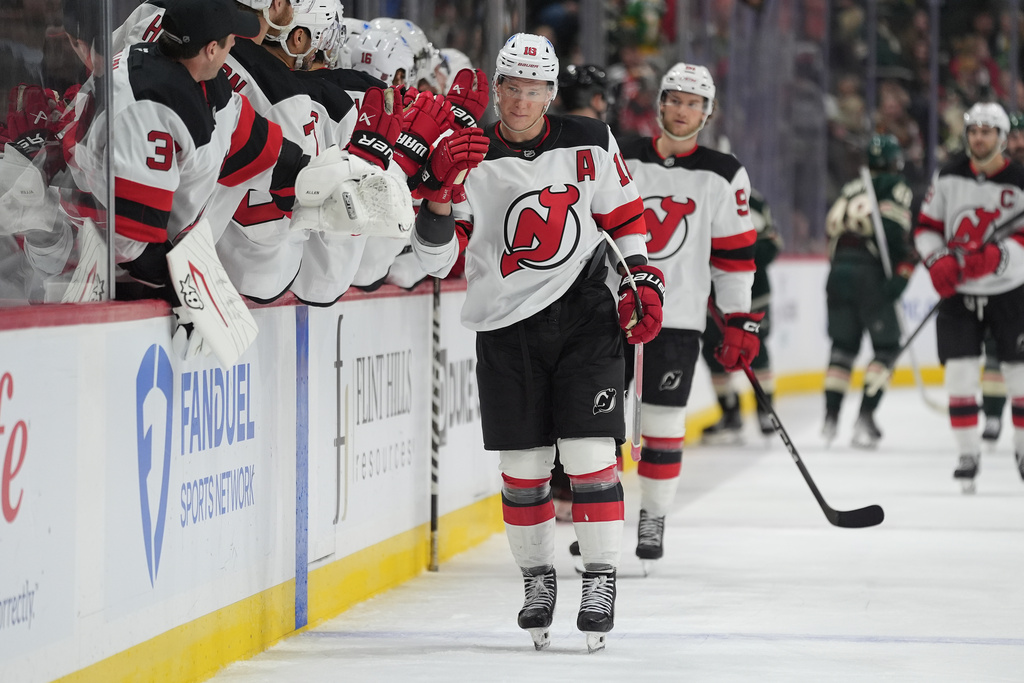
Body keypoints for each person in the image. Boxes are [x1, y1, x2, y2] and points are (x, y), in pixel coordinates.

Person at [409, 33, 662, 652]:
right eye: (512, 88)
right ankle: (537, 581)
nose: (521, 101)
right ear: (496, 88)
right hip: (505, 326)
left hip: (585, 315)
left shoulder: (591, 139)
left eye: (534, 89)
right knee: (523, 469)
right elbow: (436, 261)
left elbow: (624, 215)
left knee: (589, 454)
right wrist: (436, 195)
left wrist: (642, 279)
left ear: (551, 93)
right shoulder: (465, 154)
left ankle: (599, 580)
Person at [617, 62, 757, 570]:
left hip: (676, 320)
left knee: (662, 421)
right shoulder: (621, 155)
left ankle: (653, 516)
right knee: (596, 426)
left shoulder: (723, 173)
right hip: (612, 314)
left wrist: (739, 319)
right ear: (659, 103)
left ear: (707, 112)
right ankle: (600, 520)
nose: (682, 110)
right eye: (674, 99)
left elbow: (734, 258)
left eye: (693, 103)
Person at [916, 101, 1024, 491]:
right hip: (960, 294)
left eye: (986, 132)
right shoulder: (948, 174)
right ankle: (967, 453)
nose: (978, 138)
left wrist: (999, 257)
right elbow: (927, 227)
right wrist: (937, 260)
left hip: (1010, 292)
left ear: (1001, 137)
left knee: (1020, 377)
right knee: (959, 375)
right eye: (973, 131)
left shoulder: (1019, 180)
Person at [821, 133, 915, 448]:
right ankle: (864, 419)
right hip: (870, 272)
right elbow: (893, 231)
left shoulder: (851, 186)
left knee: (842, 348)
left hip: (838, 271)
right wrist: (904, 269)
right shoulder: (895, 185)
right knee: (886, 349)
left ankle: (830, 419)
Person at [700, 189, 783, 443]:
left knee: (756, 349)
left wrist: (735, 257)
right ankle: (730, 414)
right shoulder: (702, 190)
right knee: (713, 351)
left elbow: (771, 245)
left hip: (753, 295)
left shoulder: (751, 198)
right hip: (712, 295)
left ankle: (765, 410)